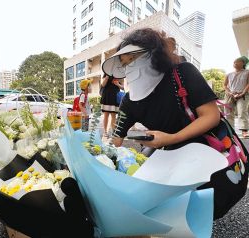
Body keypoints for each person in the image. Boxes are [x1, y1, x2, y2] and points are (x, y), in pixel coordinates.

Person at [102, 28, 248, 219]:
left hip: (208, 148)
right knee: (179, 209)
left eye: (132, 58)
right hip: (174, 157)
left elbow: (211, 116)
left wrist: (171, 138)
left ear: (154, 54)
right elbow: (116, 140)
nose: (129, 67)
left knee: (212, 198)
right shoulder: (129, 101)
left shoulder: (181, 73)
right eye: (124, 63)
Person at [224, 56, 249, 138]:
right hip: (230, 95)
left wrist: (242, 93)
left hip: (242, 95)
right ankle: (230, 130)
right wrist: (229, 92)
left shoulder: (247, 72)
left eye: (237, 62)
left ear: (243, 63)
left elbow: (248, 84)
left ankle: (244, 131)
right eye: (234, 62)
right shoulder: (229, 74)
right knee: (228, 113)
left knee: (242, 112)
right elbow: (225, 85)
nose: (235, 63)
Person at [100, 73, 124, 137]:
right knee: (106, 115)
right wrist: (107, 77)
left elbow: (123, 87)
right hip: (106, 96)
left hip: (115, 97)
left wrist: (118, 84)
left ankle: (114, 132)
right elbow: (102, 85)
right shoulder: (107, 71)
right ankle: (105, 132)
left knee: (114, 115)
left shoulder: (120, 73)